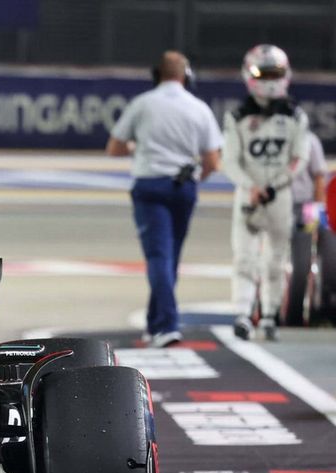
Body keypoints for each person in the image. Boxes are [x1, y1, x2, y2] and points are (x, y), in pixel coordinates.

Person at [106, 51, 223, 348]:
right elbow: (213, 161)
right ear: (187, 76)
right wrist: (197, 178)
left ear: (156, 74)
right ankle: (156, 322)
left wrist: (138, 148)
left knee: (159, 256)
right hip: (183, 187)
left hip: (150, 185)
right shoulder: (199, 108)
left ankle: (166, 326)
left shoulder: (143, 104)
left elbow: (114, 147)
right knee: (170, 257)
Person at [221, 44, 310, 341]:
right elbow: (230, 160)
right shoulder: (237, 117)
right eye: (265, 72)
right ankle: (243, 313)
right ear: (250, 74)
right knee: (244, 257)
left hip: (280, 195)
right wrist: (251, 187)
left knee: (275, 259)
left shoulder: (297, 117)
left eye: (276, 72)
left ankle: (271, 313)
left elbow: (300, 158)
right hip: (249, 195)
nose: (271, 79)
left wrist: (274, 185)